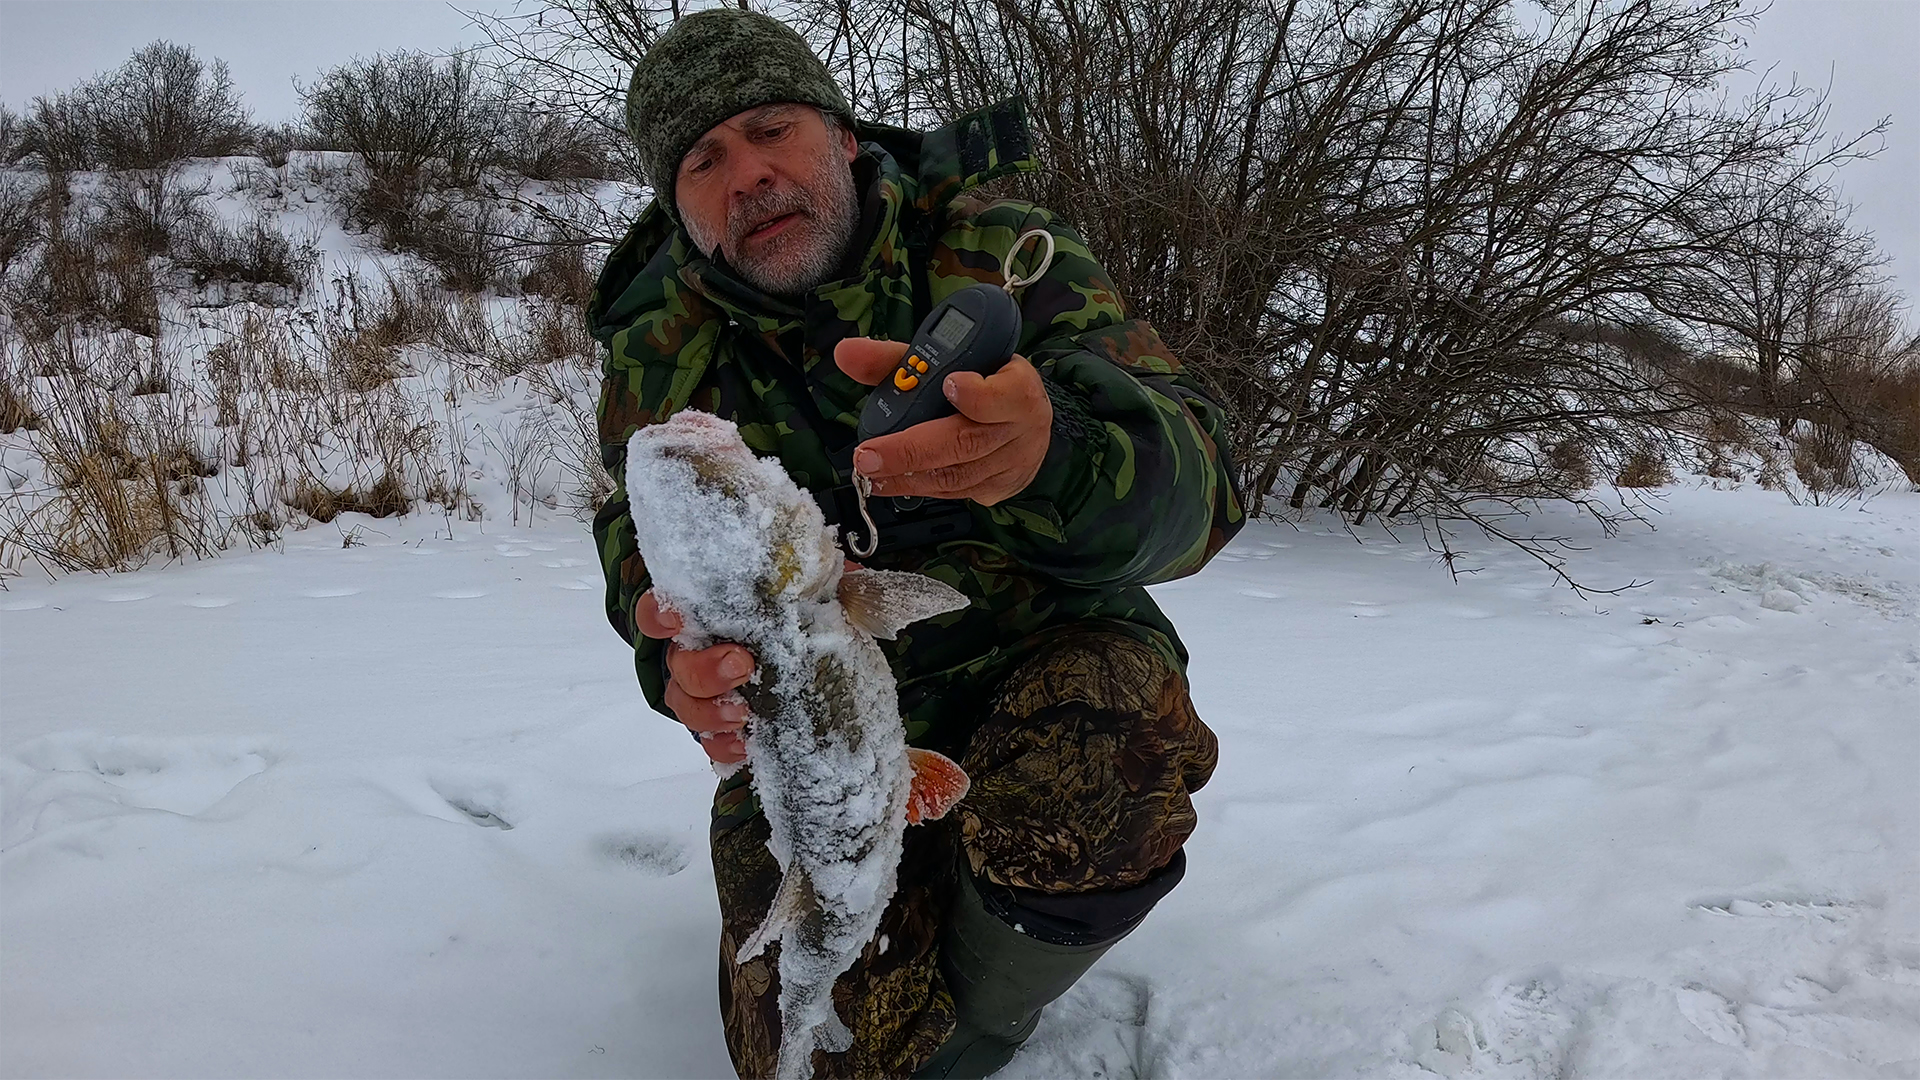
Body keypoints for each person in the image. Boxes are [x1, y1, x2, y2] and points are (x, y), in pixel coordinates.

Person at [588, 9, 1243, 1077]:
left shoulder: (1003, 255)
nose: (747, 173)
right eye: (704, 159)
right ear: (679, 204)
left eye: (771, 128)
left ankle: (980, 1019)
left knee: (1108, 753)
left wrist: (1054, 454)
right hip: (812, 736)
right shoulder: (664, 344)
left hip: (1037, 666)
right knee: (813, 1058)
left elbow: (1206, 486)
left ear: (843, 137)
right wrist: (667, 655)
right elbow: (634, 528)